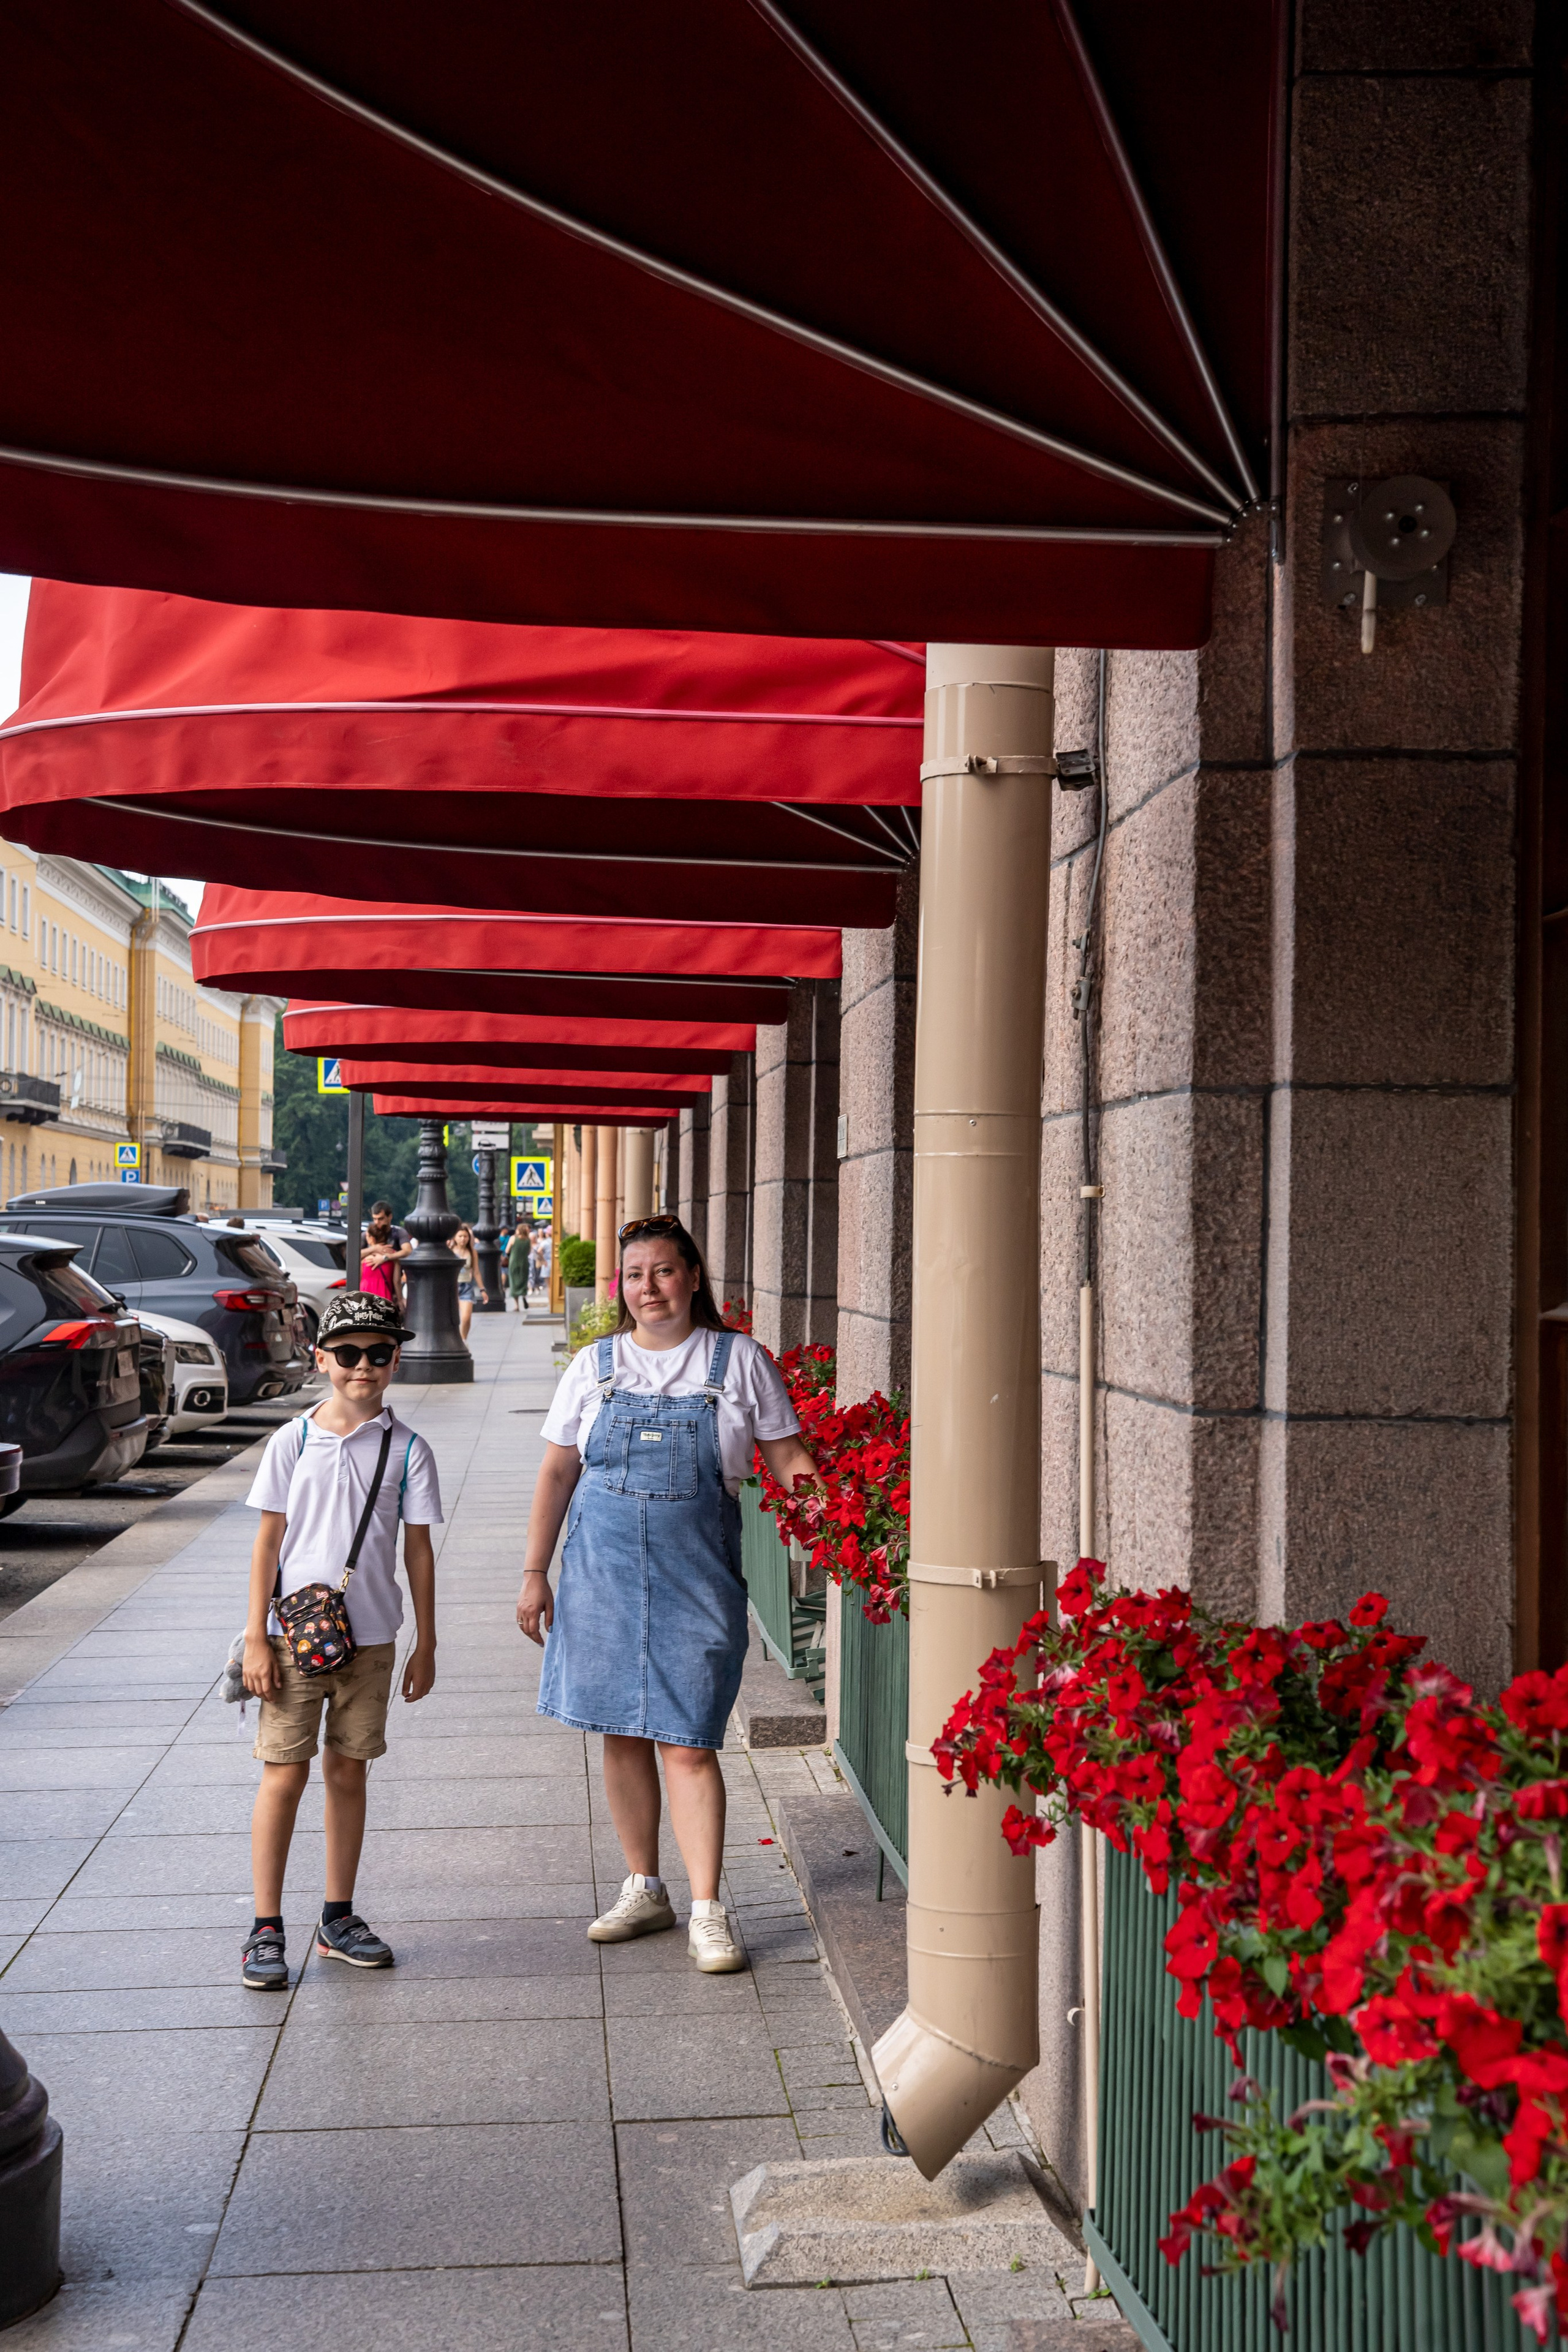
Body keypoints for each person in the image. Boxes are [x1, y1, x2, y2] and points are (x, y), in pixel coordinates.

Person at [516, 1215, 817, 1973]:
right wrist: (533, 1572)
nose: (648, 1288)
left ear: (691, 1278)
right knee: (620, 1729)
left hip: (697, 1576)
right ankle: (644, 1888)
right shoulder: (594, 1366)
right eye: (635, 1275)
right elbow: (557, 1473)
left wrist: (831, 1529)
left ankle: (709, 1910)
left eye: (663, 1271)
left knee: (688, 1742)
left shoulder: (740, 1361)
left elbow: (786, 1457)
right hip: (601, 1572)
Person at [238, 1291, 443, 1990]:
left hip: (374, 1639)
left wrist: (427, 1641)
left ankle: (337, 1917)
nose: (364, 1366)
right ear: (321, 1358)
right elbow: (268, 1544)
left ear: (394, 1362)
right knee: (284, 1774)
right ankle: (266, 1926)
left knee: (349, 1770)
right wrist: (255, 1639)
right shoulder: (292, 1442)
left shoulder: (410, 1449)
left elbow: (418, 1552)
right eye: (349, 1353)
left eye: (379, 1353)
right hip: (293, 1639)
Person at [360, 1199, 412, 1309]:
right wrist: (374, 1249)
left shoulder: (398, 1233)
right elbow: (354, 1256)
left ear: (390, 1217)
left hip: (390, 1287)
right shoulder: (368, 1234)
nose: (377, 1223)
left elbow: (408, 1250)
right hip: (372, 1290)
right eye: (374, 1219)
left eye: (381, 1219)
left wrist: (386, 1257)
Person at [449, 1221, 487, 1339]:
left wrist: (482, 1290)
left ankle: (463, 1340)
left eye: (466, 1236)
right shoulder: (449, 1251)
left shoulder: (472, 1252)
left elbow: (476, 1272)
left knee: (466, 1318)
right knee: (453, 1318)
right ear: (455, 1237)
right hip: (452, 1287)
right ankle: (455, 1340)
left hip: (466, 1287)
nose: (463, 1239)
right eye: (460, 1236)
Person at [504, 1218, 532, 1312]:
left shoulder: (513, 1238)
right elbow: (529, 1252)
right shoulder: (528, 1240)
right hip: (524, 1263)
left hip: (514, 1263)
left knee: (514, 1283)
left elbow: (507, 1251)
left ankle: (517, 1306)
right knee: (523, 1281)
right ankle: (524, 1295)